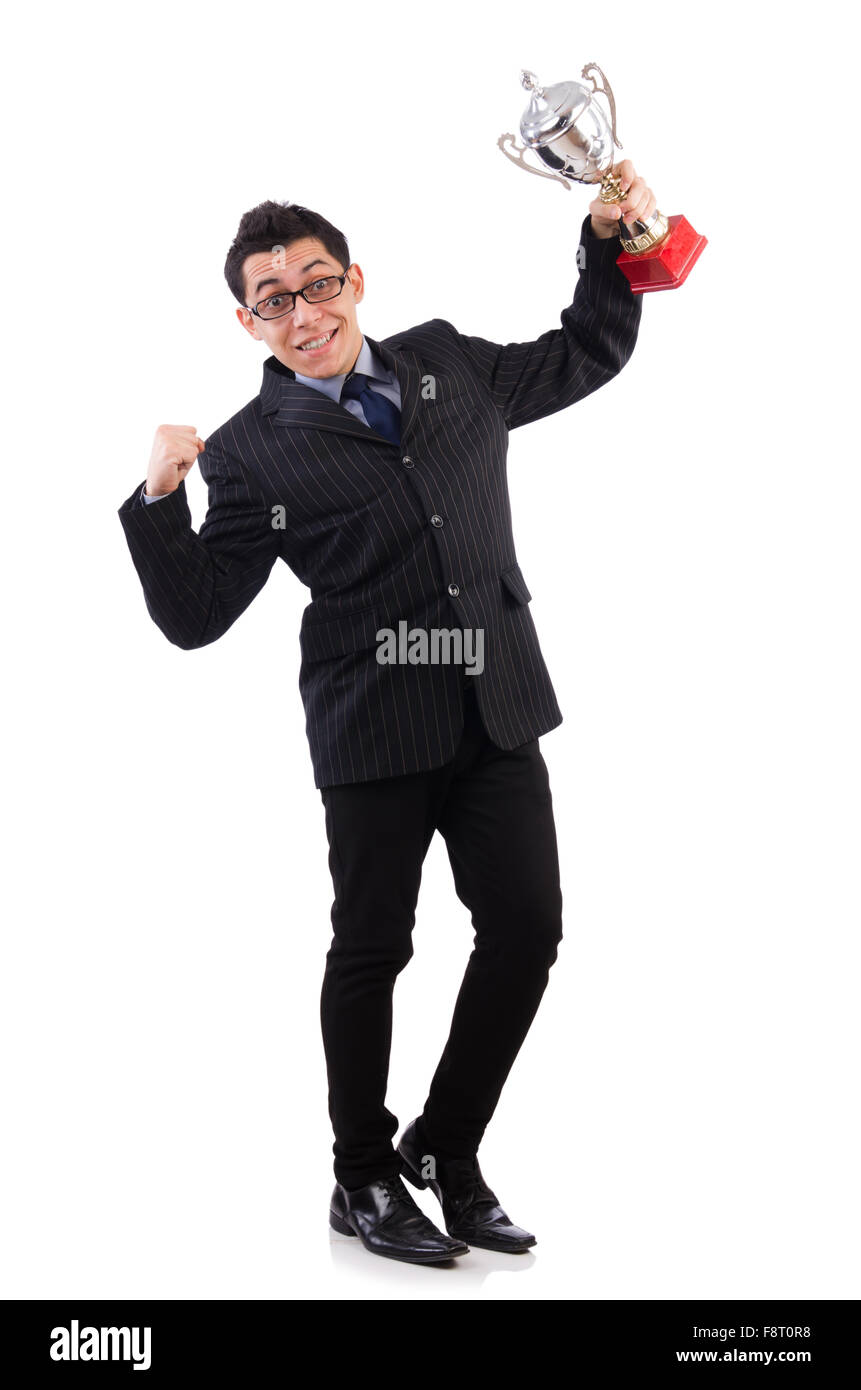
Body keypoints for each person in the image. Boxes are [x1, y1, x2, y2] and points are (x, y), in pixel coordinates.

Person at [118, 162, 650, 1265]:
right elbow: (199, 615)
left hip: (497, 701)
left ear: (357, 281)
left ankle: (445, 1151)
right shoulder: (251, 450)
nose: (304, 312)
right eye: (275, 299)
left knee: (528, 931)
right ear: (247, 320)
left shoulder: (449, 360)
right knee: (373, 947)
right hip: (372, 726)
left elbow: (584, 352)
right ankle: (358, 1176)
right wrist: (162, 500)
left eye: (319, 284)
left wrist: (606, 243)